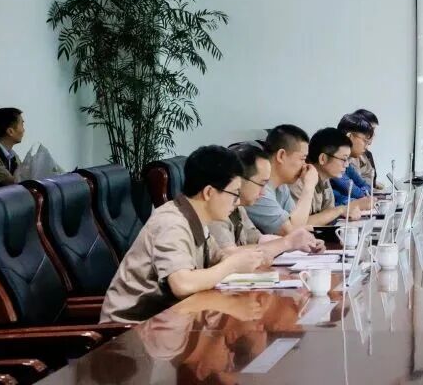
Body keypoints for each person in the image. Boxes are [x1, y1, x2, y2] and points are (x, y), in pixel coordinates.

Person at [101, 145, 266, 324]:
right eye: (234, 193)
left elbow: (216, 258)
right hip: (130, 330)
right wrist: (232, 266)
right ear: (209, 192)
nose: (237, 201)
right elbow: (182, 284)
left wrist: (242, 259)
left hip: (169, 322)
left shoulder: (195, 218)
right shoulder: (172, 223)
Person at [208, 144, 325, 255]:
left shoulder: (239, 208)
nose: (263, 192)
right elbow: (228, 254)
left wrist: (299, 242)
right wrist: (287, 243)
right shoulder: (217, 209)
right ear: (239, 180)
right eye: (261, 184)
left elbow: (257, 240)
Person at [244, 124, 320, 235]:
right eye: (302, 159)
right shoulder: (258, 190)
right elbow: (291, 232)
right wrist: (309, 186)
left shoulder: (282, 187)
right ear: (281, 155)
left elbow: (298, 223)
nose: (304, 165)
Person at [288, 127, 365, 226]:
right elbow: (298, 225)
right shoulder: (298, 181)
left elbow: (328, 216)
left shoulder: (325, 179)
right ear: (323, 159)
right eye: (343, 159)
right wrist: (340, 210)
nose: (346, 165)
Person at [332, 113, 375, 212]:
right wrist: (358, 200)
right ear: (350, 136)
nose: (366, 147)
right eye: (365, 141)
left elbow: (366, 186)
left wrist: (362, 195)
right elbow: (354, 192)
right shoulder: (334, 161)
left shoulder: (347, 162)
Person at [0, 107, 25, 186]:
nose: (23, 130)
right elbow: (14, 184)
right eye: (22, 125)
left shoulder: (13, 156)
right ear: (10, 131)